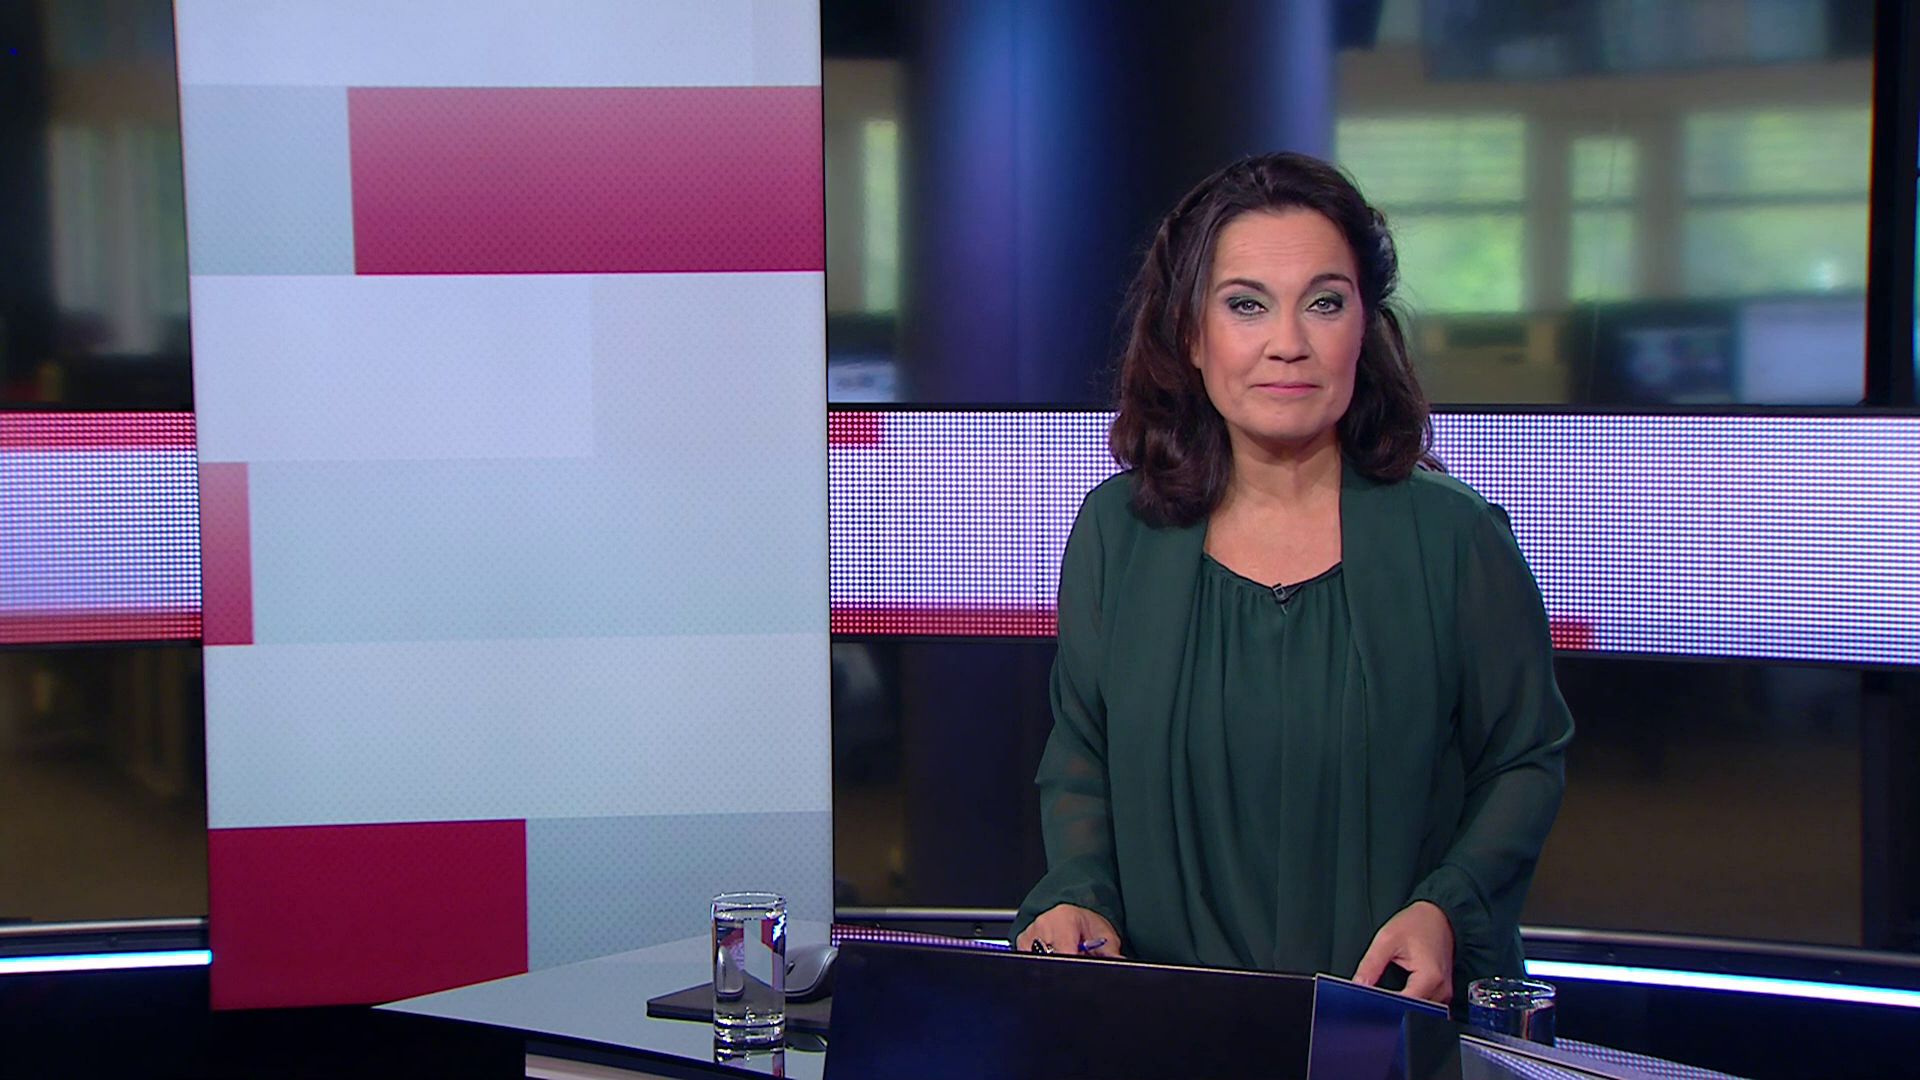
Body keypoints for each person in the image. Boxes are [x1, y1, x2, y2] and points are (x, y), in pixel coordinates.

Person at [1010, 151, 1575, 1008]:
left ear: (1364, 327)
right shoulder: (1118, 533)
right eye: (1246, 304)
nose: (1288, 343)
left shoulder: (1455, 536)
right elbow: (1082, 753)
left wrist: (1447, 909)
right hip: (1169, 1022)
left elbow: (1524, 759)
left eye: (1324, 302)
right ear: (1190, 335)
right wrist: (1077, 894)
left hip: (1387, 1017)